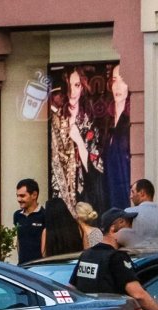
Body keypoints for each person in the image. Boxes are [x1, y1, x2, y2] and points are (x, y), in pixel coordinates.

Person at [50, 65, 105, 216]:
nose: (72, 92)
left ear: (82, 87)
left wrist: (80, 142)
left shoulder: (89, 120)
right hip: (61, 191)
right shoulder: (56, 118)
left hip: (84, 190)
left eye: (76, 85)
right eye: (69, 86)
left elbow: (96, 165)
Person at [103, 64, 131, 211]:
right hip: (111, 194)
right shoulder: (107, 119)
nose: (118, 86)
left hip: (126, 194)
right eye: (114, 80)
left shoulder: (131, 119)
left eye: (123, 80)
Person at [119, 179, 158, 247]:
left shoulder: (127, 213)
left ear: (142, 193)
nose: (130, 197)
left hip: (134, 256)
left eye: (133, 192)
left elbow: (120, 241)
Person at [13, 178, 45, 264]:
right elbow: (18, 240)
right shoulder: (17, 215)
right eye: (17, 196)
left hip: (39, 267)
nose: (19, 199)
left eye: (22, 196)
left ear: (34, 195)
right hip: (22, 266)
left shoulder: (44, 215)